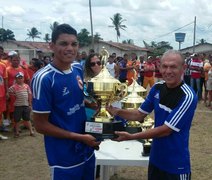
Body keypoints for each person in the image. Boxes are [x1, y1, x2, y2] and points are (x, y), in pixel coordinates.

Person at [106, 50, 197, 180]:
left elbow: (166, 130)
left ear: (183, 68)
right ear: (159, 67)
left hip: (175, 164)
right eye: (164, 66)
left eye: (173, 67)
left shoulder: (187, 96)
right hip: (155, 159)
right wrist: (117, 111)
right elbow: (138, 115)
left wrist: (131, 136)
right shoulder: (157, 87)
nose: (168, 71)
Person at [31, 24, 100, 180]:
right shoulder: (44, 79)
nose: (70, 48)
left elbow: (76, 100)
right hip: (63, 156)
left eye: (74, 44)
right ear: (52, 46)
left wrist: (94, 105)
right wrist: (78, 137)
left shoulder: (77, 68)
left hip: (86, 148)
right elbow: (40, 125)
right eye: (64, 43)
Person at [8, 72, 34, 137]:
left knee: (27, 119)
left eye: (21, 78)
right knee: (17, 120)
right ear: (16, 79)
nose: (20, 79)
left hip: (26, 105)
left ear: (23, 78)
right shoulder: (13, 87)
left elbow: (30, 95)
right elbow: (9, 94)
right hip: (18, 106)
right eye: (18, 78)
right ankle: (17, 132)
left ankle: (31, 131)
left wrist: (30, 104)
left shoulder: (27, 86)